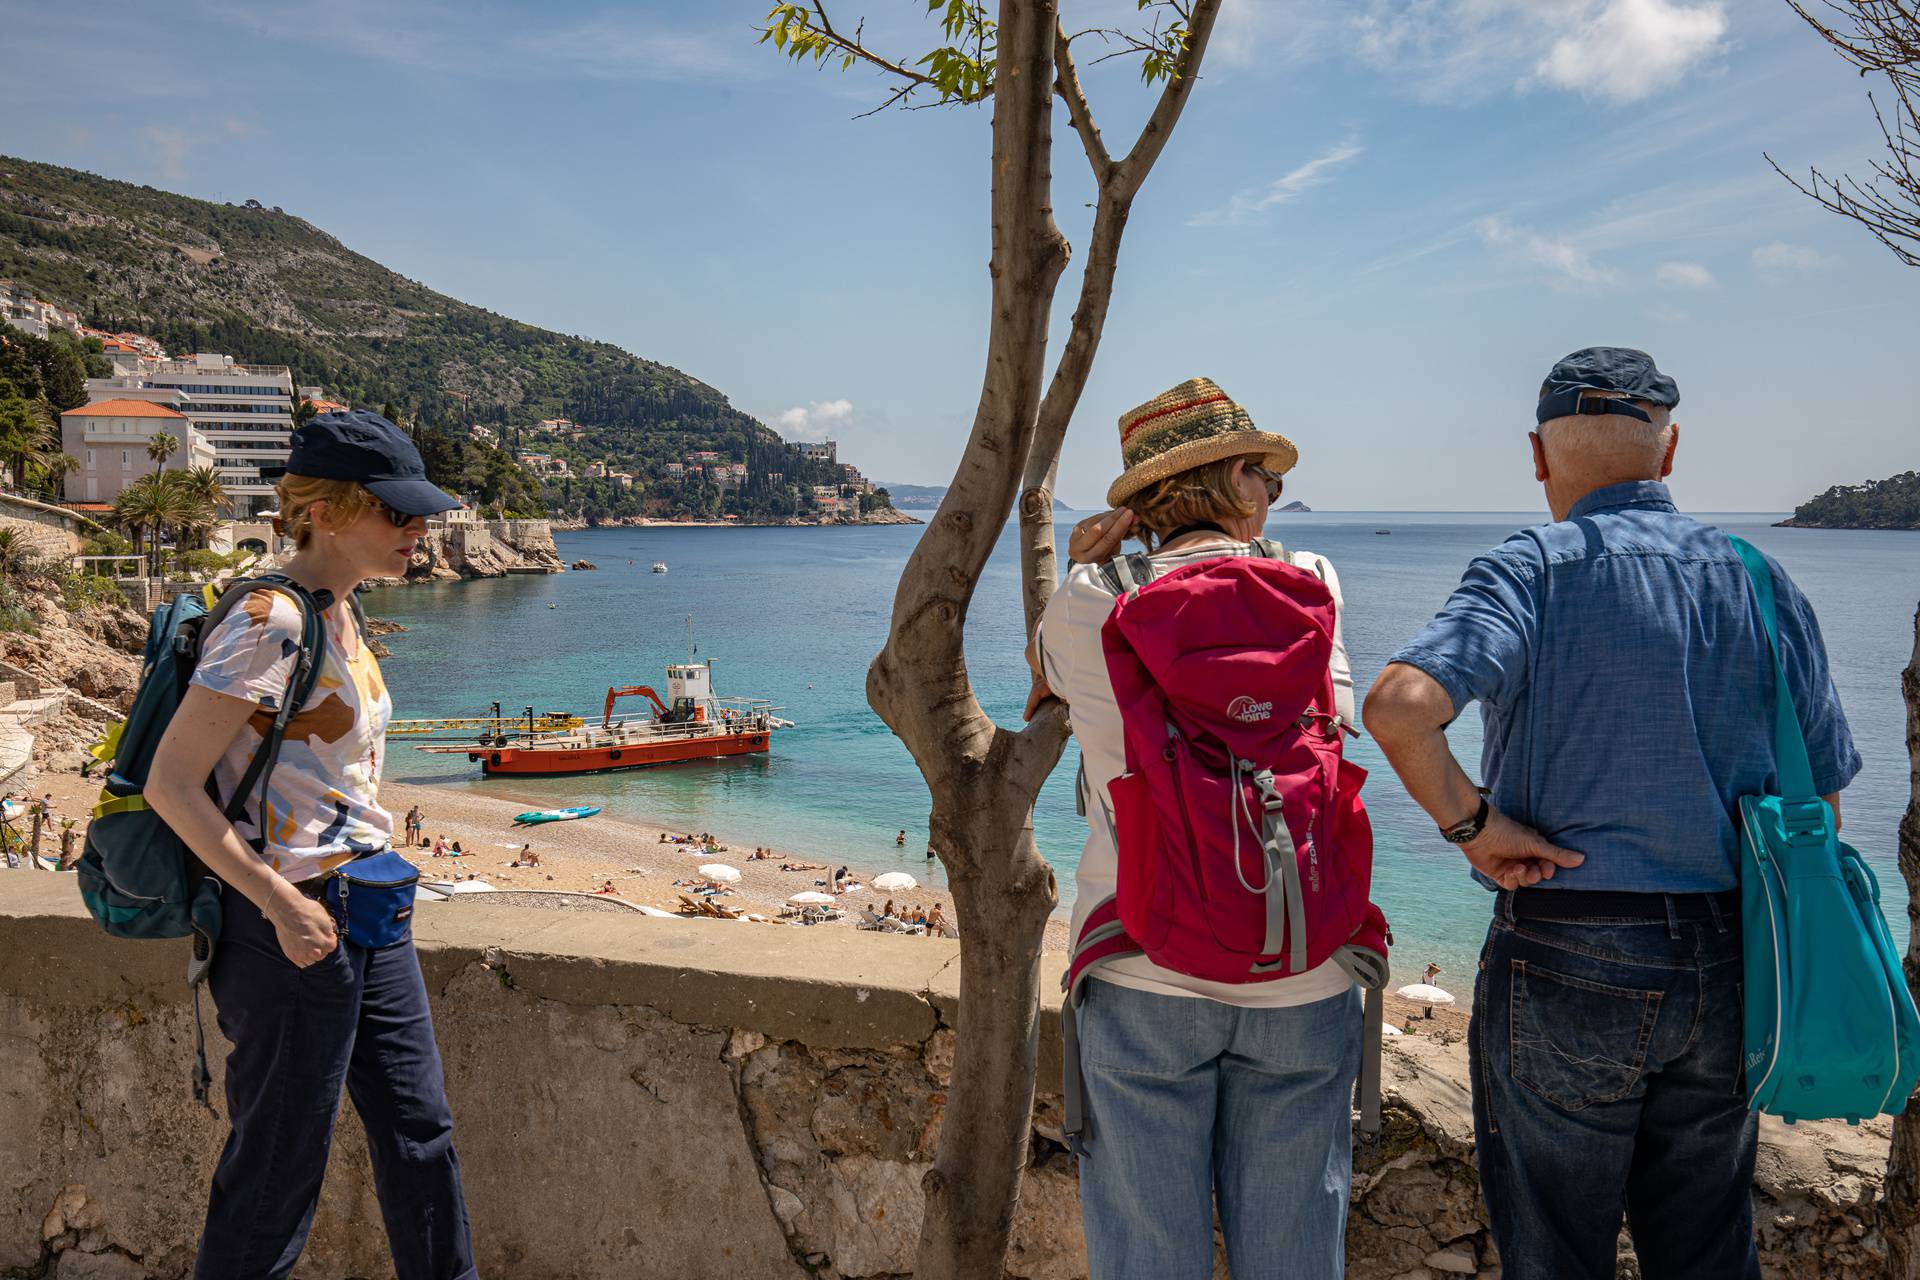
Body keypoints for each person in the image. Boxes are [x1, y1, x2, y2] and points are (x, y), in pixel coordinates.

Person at [1363, 349, 1860, 1280]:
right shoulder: (1759, 578)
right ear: (1668, 455)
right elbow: (1819, 809)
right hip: (1732, 954)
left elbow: (1397, 706)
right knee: (1709, 1248)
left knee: (1554, 1254)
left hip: (1567, 945)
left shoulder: (1529, 571)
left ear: (1538, 458)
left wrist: (1474, 828)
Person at [1030, 377, 1361, 1280]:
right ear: (1241, 483)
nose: (1272, 498)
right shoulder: (1314, 587)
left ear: (1145, 504)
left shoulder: (1091, 604)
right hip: (1302, 963)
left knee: (1147, 1258)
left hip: (1144, 960)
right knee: (1296, 1255)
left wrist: (1083, 558)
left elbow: (1045, 668)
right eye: (1267, 479)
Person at [142, 409, 476, 1279]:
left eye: (421, 514)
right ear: (324, 511)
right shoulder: (272, 619)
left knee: (420, 1135)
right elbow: (171, 785)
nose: (418, 530)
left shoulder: (346, 615)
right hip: (286, 919)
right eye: (395, 513)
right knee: (278, 1168)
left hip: (370, 909)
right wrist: (278, 901)